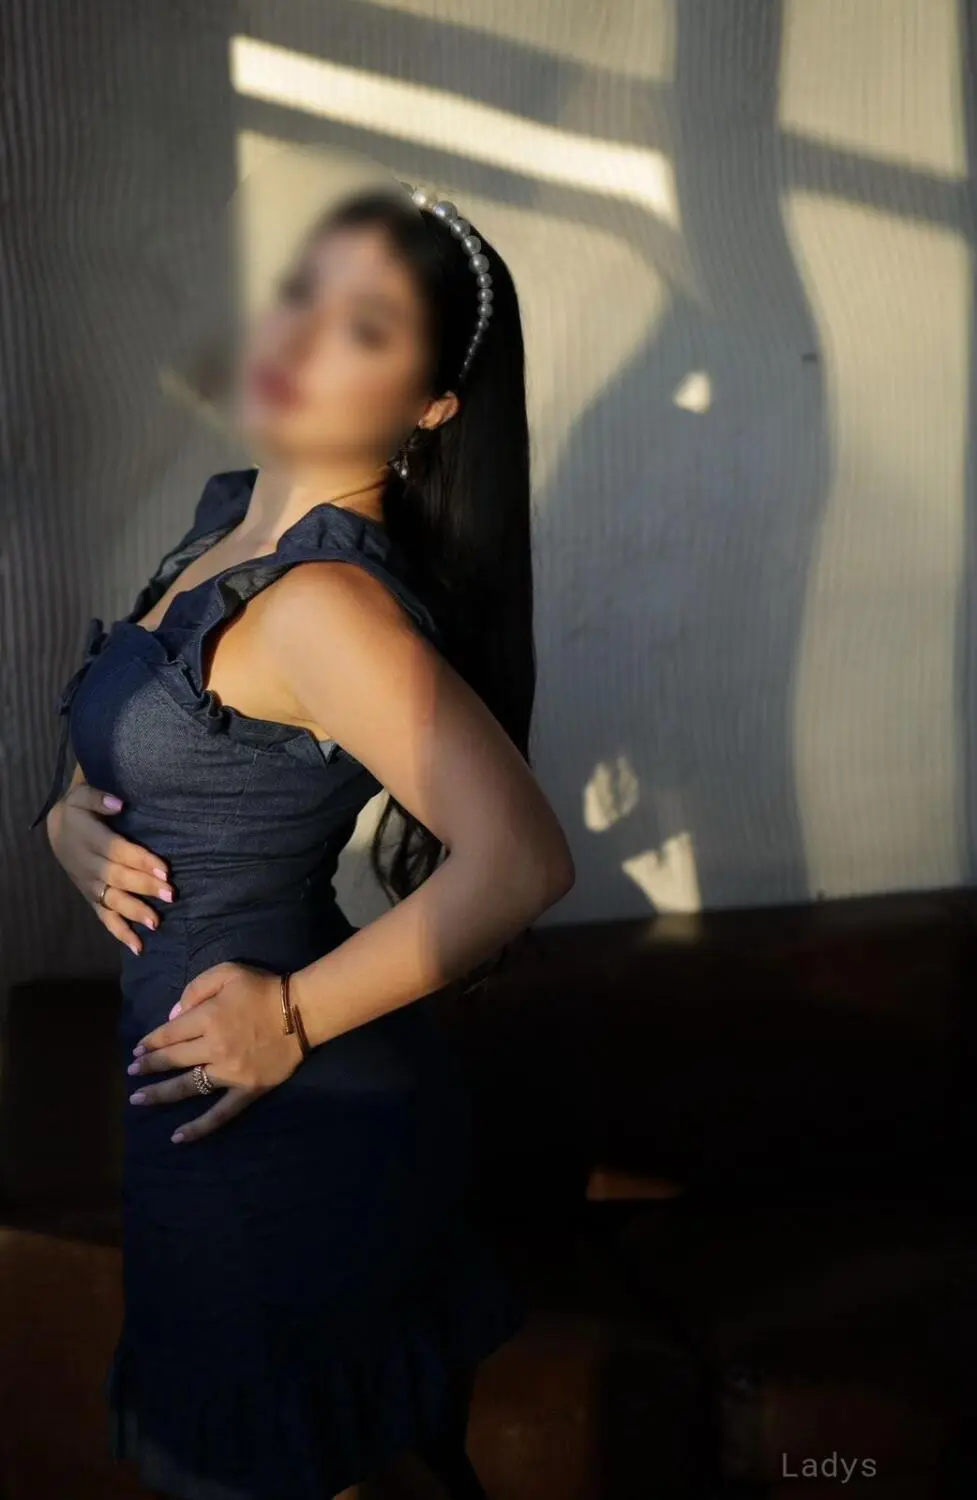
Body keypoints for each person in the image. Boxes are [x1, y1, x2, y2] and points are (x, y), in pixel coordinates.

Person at [33, 181, 575, 1500]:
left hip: (282, 1115)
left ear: (431, 406)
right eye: (302, 293)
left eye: (364, 326)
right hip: (200, 1094)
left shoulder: (326, 601)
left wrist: (289, 1018)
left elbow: (522, 861)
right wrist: (64, 816)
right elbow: (132, 720)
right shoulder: (228, 521)